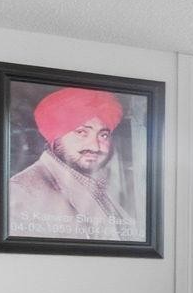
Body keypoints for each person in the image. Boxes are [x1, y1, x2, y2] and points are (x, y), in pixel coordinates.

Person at [7, 87, 142, 242]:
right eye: (81, 132)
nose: (95, 146)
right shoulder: (22, 190)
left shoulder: (104, 185)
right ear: (54, 137)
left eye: (103, 135)